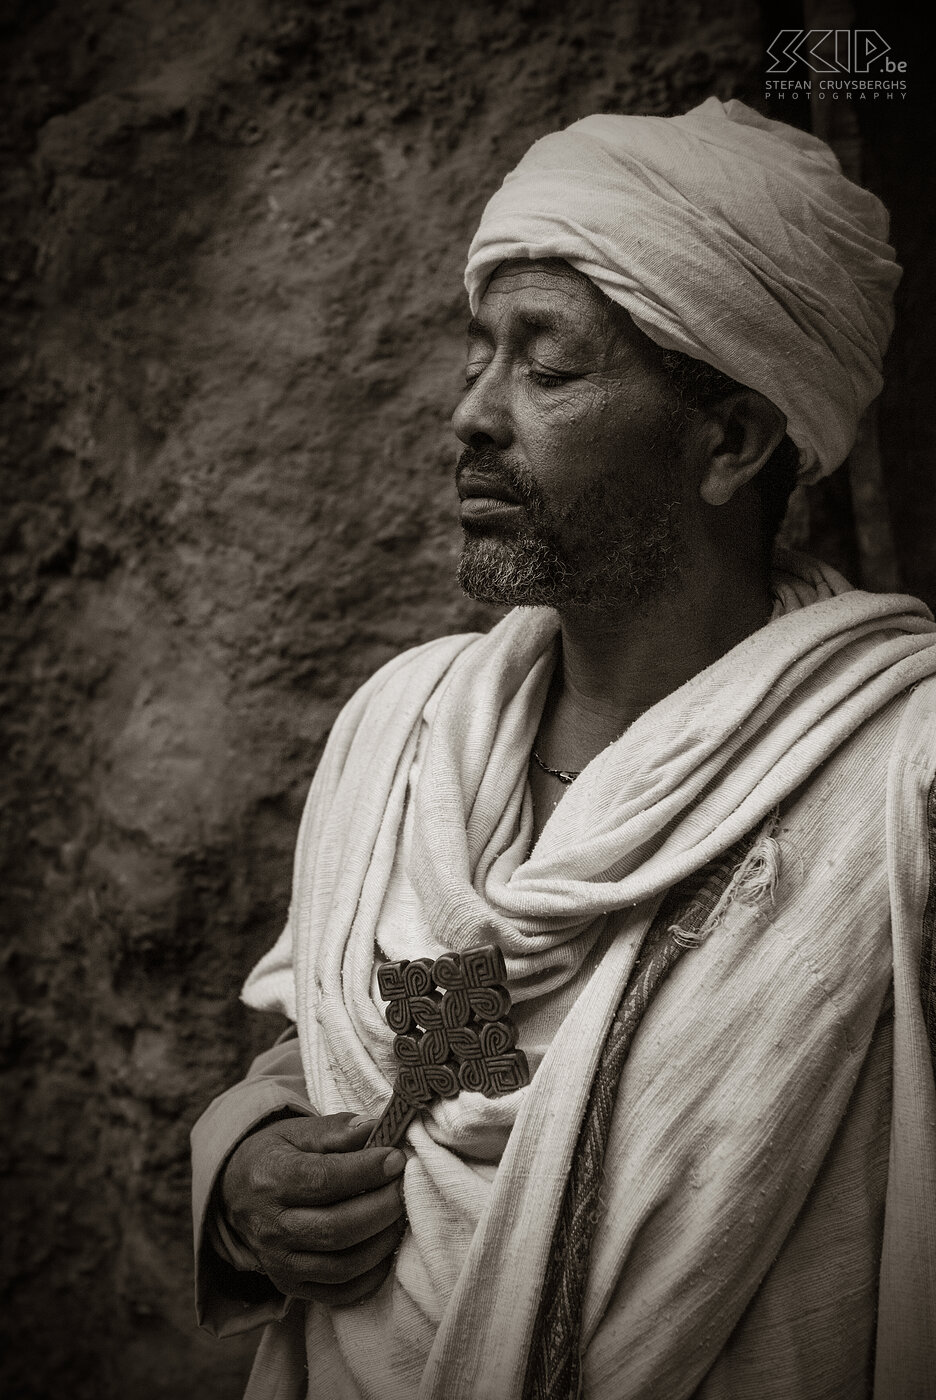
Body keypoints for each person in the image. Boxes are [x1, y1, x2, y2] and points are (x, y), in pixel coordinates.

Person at [191, 98, 936, 1399]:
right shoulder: (412, 731)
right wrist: (248, 1160)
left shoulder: (898, 777)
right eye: (478, 352)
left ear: (733, 442)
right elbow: (347, 1051)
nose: (470, 415)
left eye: (546, 366)